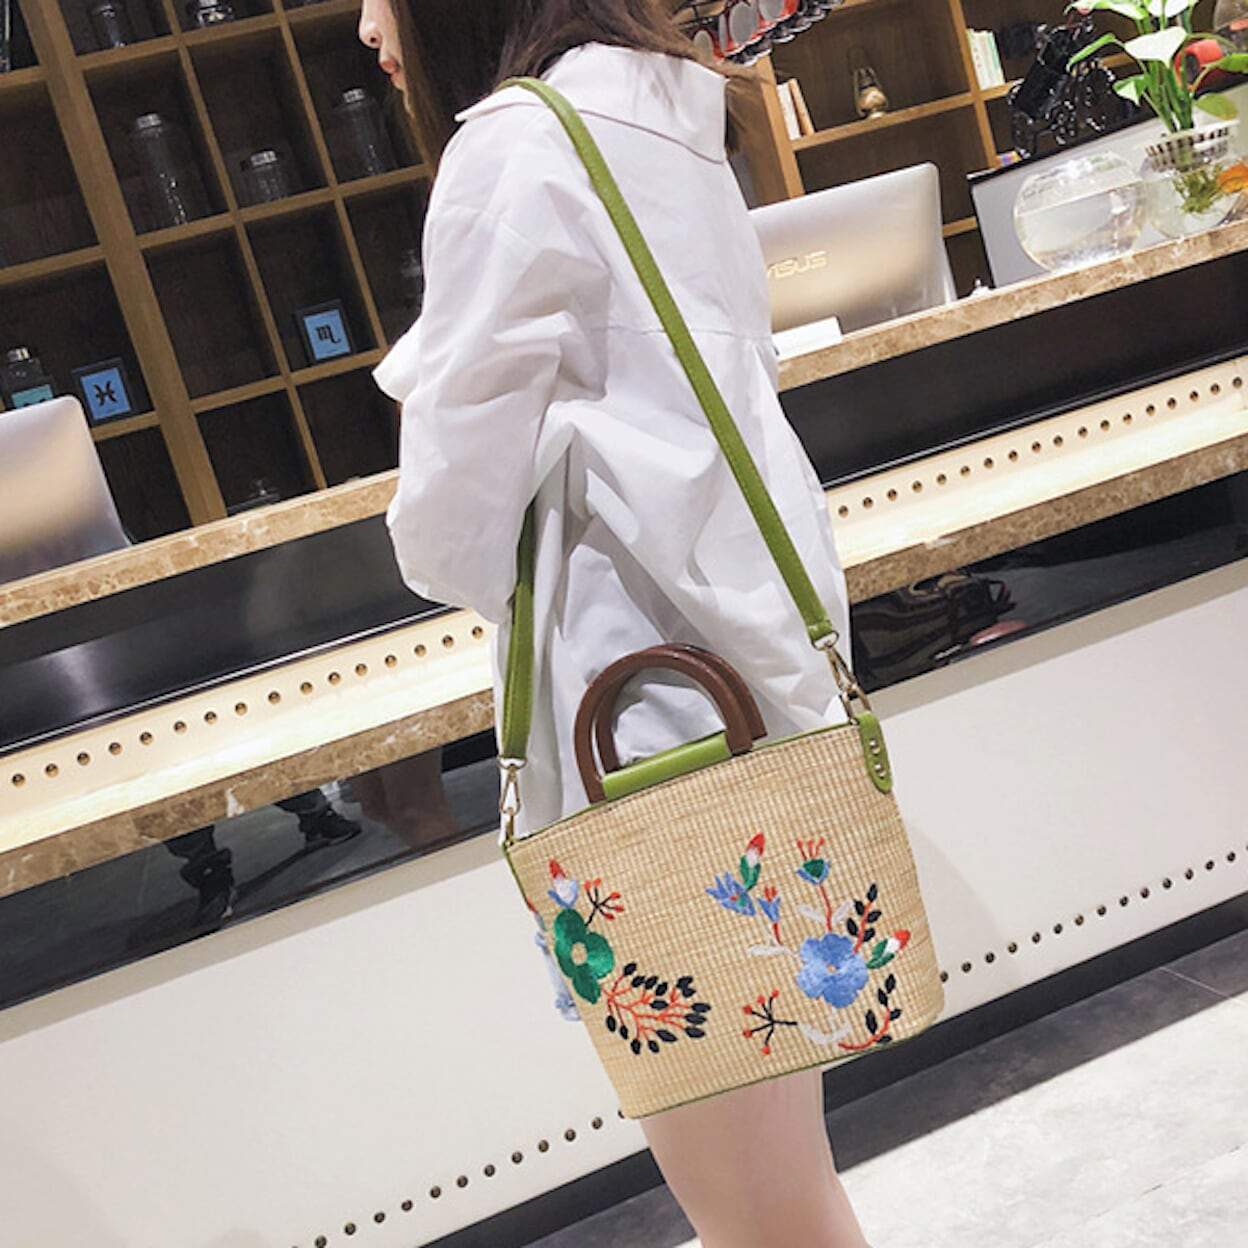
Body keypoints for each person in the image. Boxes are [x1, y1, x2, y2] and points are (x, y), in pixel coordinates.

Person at [358, 3, 870, 1245]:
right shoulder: (664, 110)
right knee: (782, 1189)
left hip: (635, 733)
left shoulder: (516, 146)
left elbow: (446, 532)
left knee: (759, 1212)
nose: (371, 25)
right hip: (743, 687)